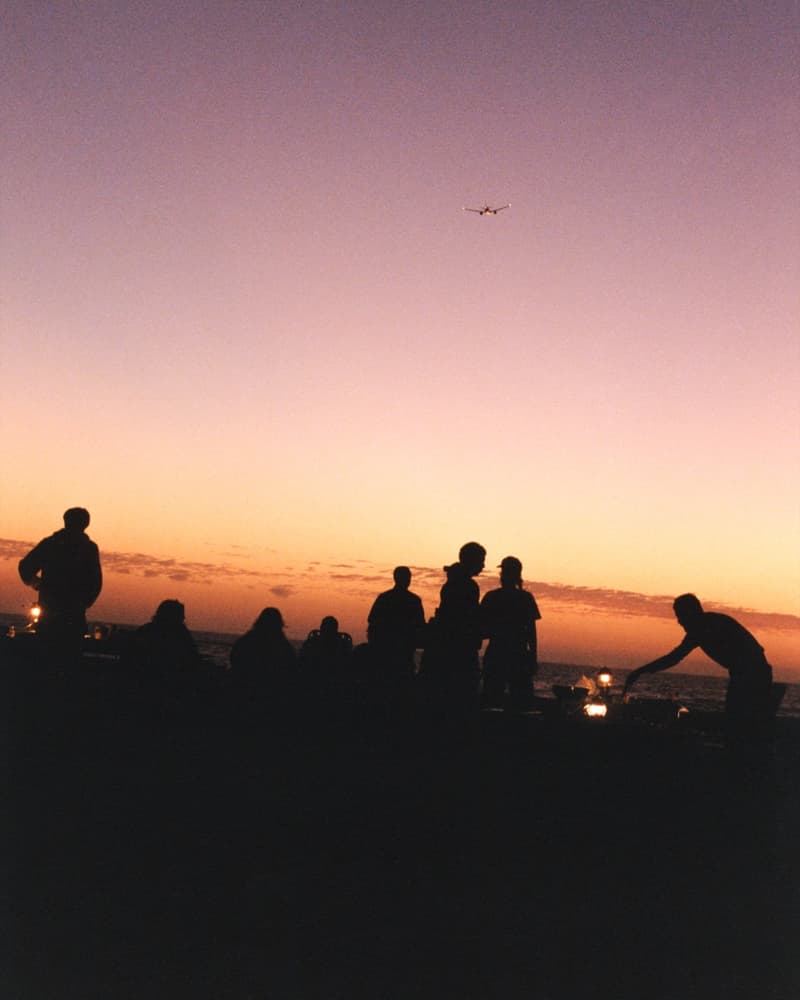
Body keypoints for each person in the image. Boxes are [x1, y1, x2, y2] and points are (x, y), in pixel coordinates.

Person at [623, 593, 774, 749]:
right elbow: (674, 657)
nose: (679, 621)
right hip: (749, 673)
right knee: (738, 722)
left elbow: (674, 658)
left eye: (681, 615)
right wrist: (641, 671)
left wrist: (639, 671)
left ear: (692, 612)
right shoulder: (705, 625)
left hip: (751, 675)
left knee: (737, 723)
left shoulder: (705, 627)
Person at [18, 507, 102, 648]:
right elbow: (96, 582)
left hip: (51, 614)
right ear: (86, 524)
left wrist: (37, 584)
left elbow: (25, 567)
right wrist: (84, 601)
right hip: (73, 616)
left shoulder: (50, 543)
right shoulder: (88, 548)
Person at [420, 541, 486, 714]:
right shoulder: (468, 586)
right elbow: (466, 619)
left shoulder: (452, 583)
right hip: (458, 650)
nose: (483, 565)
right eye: (481, 560)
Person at [480, 556, 541, 711]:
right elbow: (531, 633)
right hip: (515, 654)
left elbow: (531, 632)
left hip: (501, 653)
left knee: (494, 698)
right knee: (518, 701)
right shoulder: (525, 598)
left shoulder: (493, 597)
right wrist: (533, 657)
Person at [367, 566, 426, 677]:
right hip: (403, 654)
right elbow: (420, 626)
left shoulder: (384, 598)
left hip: (387, 653)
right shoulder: (413, 601)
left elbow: (372, 622)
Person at [229, 607, 296, 701]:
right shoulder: (282, 645)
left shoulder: (247, 640)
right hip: (268, 692)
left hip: (245, 689)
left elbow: (234, 657)